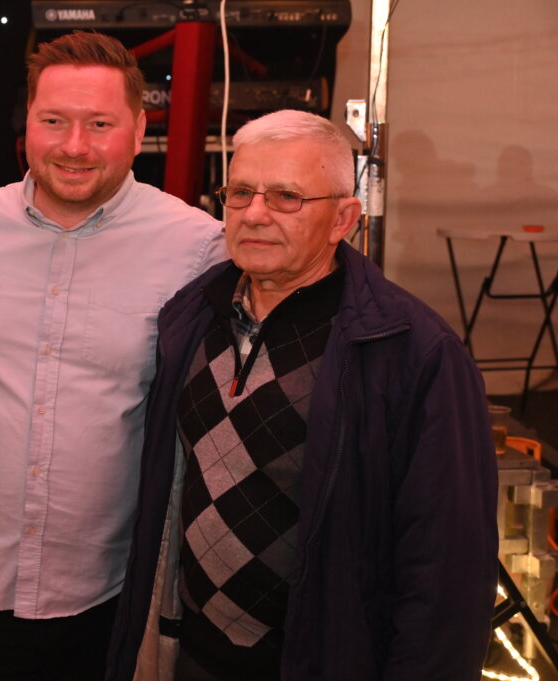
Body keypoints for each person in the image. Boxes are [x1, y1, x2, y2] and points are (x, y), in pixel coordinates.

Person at [106, 109, 498, 681]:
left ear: (344, 218)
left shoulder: (414, 353)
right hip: (188, 653)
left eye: (287, 197)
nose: (255, 214)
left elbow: (446, 572)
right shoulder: (190, 317)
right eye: (240, 193)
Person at [0, 30, 225, 680]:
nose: (75, 146)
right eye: (54, 121)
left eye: (99, 123)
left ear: (138, 131)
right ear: (27, 126)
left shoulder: (197, 246)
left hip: (110, 600)